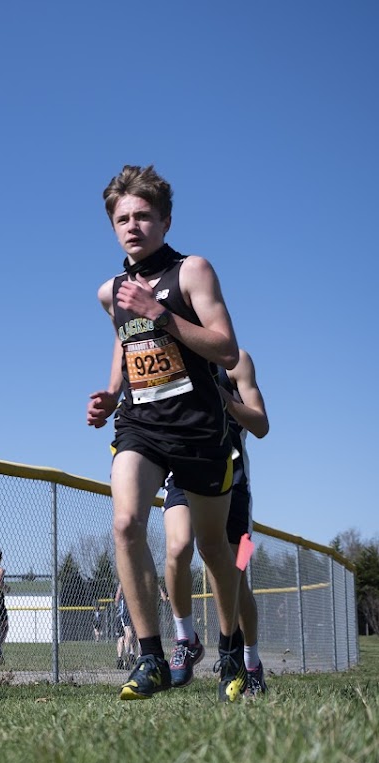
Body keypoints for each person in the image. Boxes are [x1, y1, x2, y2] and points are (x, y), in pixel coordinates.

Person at [86, 164, 249, 702]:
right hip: (141, 425)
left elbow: (226, 348)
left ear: (165, 221)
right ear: (113, 226)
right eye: (122, 219)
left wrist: (159, 312)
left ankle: (230, 652)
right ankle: (151, 657)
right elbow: (124, 341)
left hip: (199, 428)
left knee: (214, 548)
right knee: (126, 521)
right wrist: (112, 392)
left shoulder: (192, 272)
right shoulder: (111, 291)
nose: (133, 226)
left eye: (143, 216)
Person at [161, 348, 270, 692]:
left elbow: (261, 425)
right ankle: (185, 639)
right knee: (177, 548)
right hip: (183, 472)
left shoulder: (237, 360)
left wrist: (223, 398)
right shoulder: (170, 354)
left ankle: (249, 663)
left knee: (237, 579)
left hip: (235, 486)